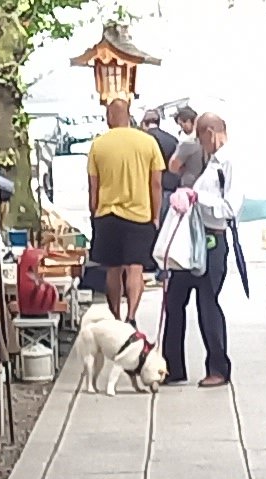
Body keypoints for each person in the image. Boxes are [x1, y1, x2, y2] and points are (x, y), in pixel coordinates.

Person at [158, 110, 239, 386]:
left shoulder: (230, 162)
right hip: (192, 239)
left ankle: (218, 366)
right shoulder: (211, 160)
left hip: (213, 239)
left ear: (210, 134)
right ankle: (172, 365)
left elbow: (230, 206)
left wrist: (197, 196)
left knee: (207, 303)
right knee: (174, 300)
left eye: (202, 140)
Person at [87, 107, 163, 326]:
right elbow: (156, 183)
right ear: (129, 116)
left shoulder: (98, 145)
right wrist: (155, 215)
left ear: (109, 117)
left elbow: (94, 186)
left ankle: (116, 317)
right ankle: (131, 316)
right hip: (140, 215)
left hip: (108, 214)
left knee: (113, 269)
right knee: (135, 268)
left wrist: (94, 212)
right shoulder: (147, 142)